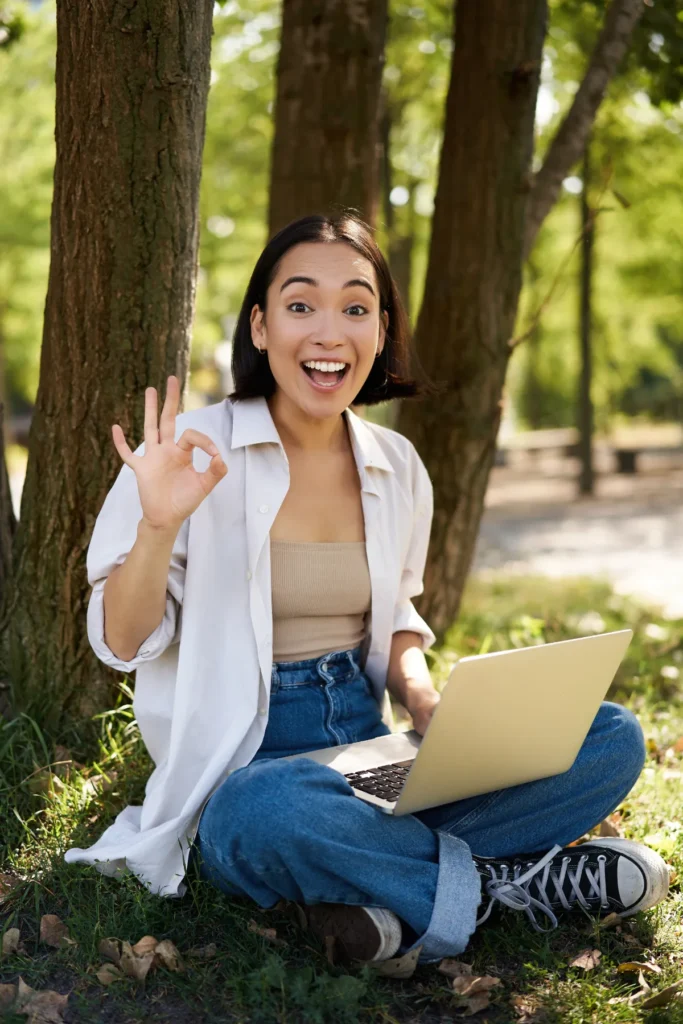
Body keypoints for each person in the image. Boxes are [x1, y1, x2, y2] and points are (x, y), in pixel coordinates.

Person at [65, 212, 669, 965]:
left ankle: (378, 892)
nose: (328, 331)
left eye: (355, 308)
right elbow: (122, 643)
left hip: (368, 754)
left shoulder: (396, 464)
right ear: (258, 326)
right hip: (250, 767)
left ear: (381, 331)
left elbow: (396, 617)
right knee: (260, 815)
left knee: (607, 734)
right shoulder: (189, 453)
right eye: (299, 305)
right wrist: (155, 527)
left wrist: (423, 701)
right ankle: (498, 887)